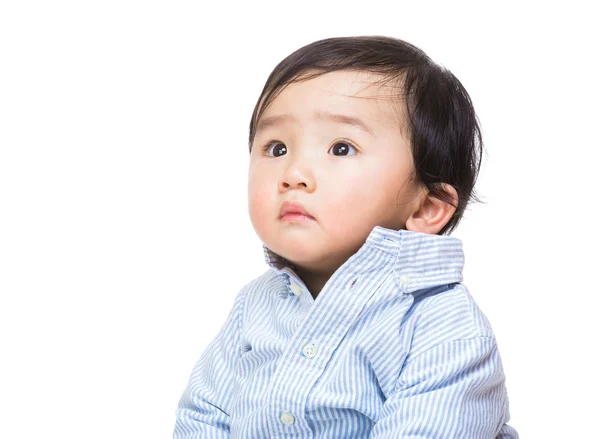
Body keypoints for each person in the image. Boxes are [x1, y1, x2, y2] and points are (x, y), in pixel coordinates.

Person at [173, 35, 519, 438]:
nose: (293, 174)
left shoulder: (441, 325)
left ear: (426, 208)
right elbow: (204, 413)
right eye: (277, 147)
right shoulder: (256, 303)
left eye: (340, 148)